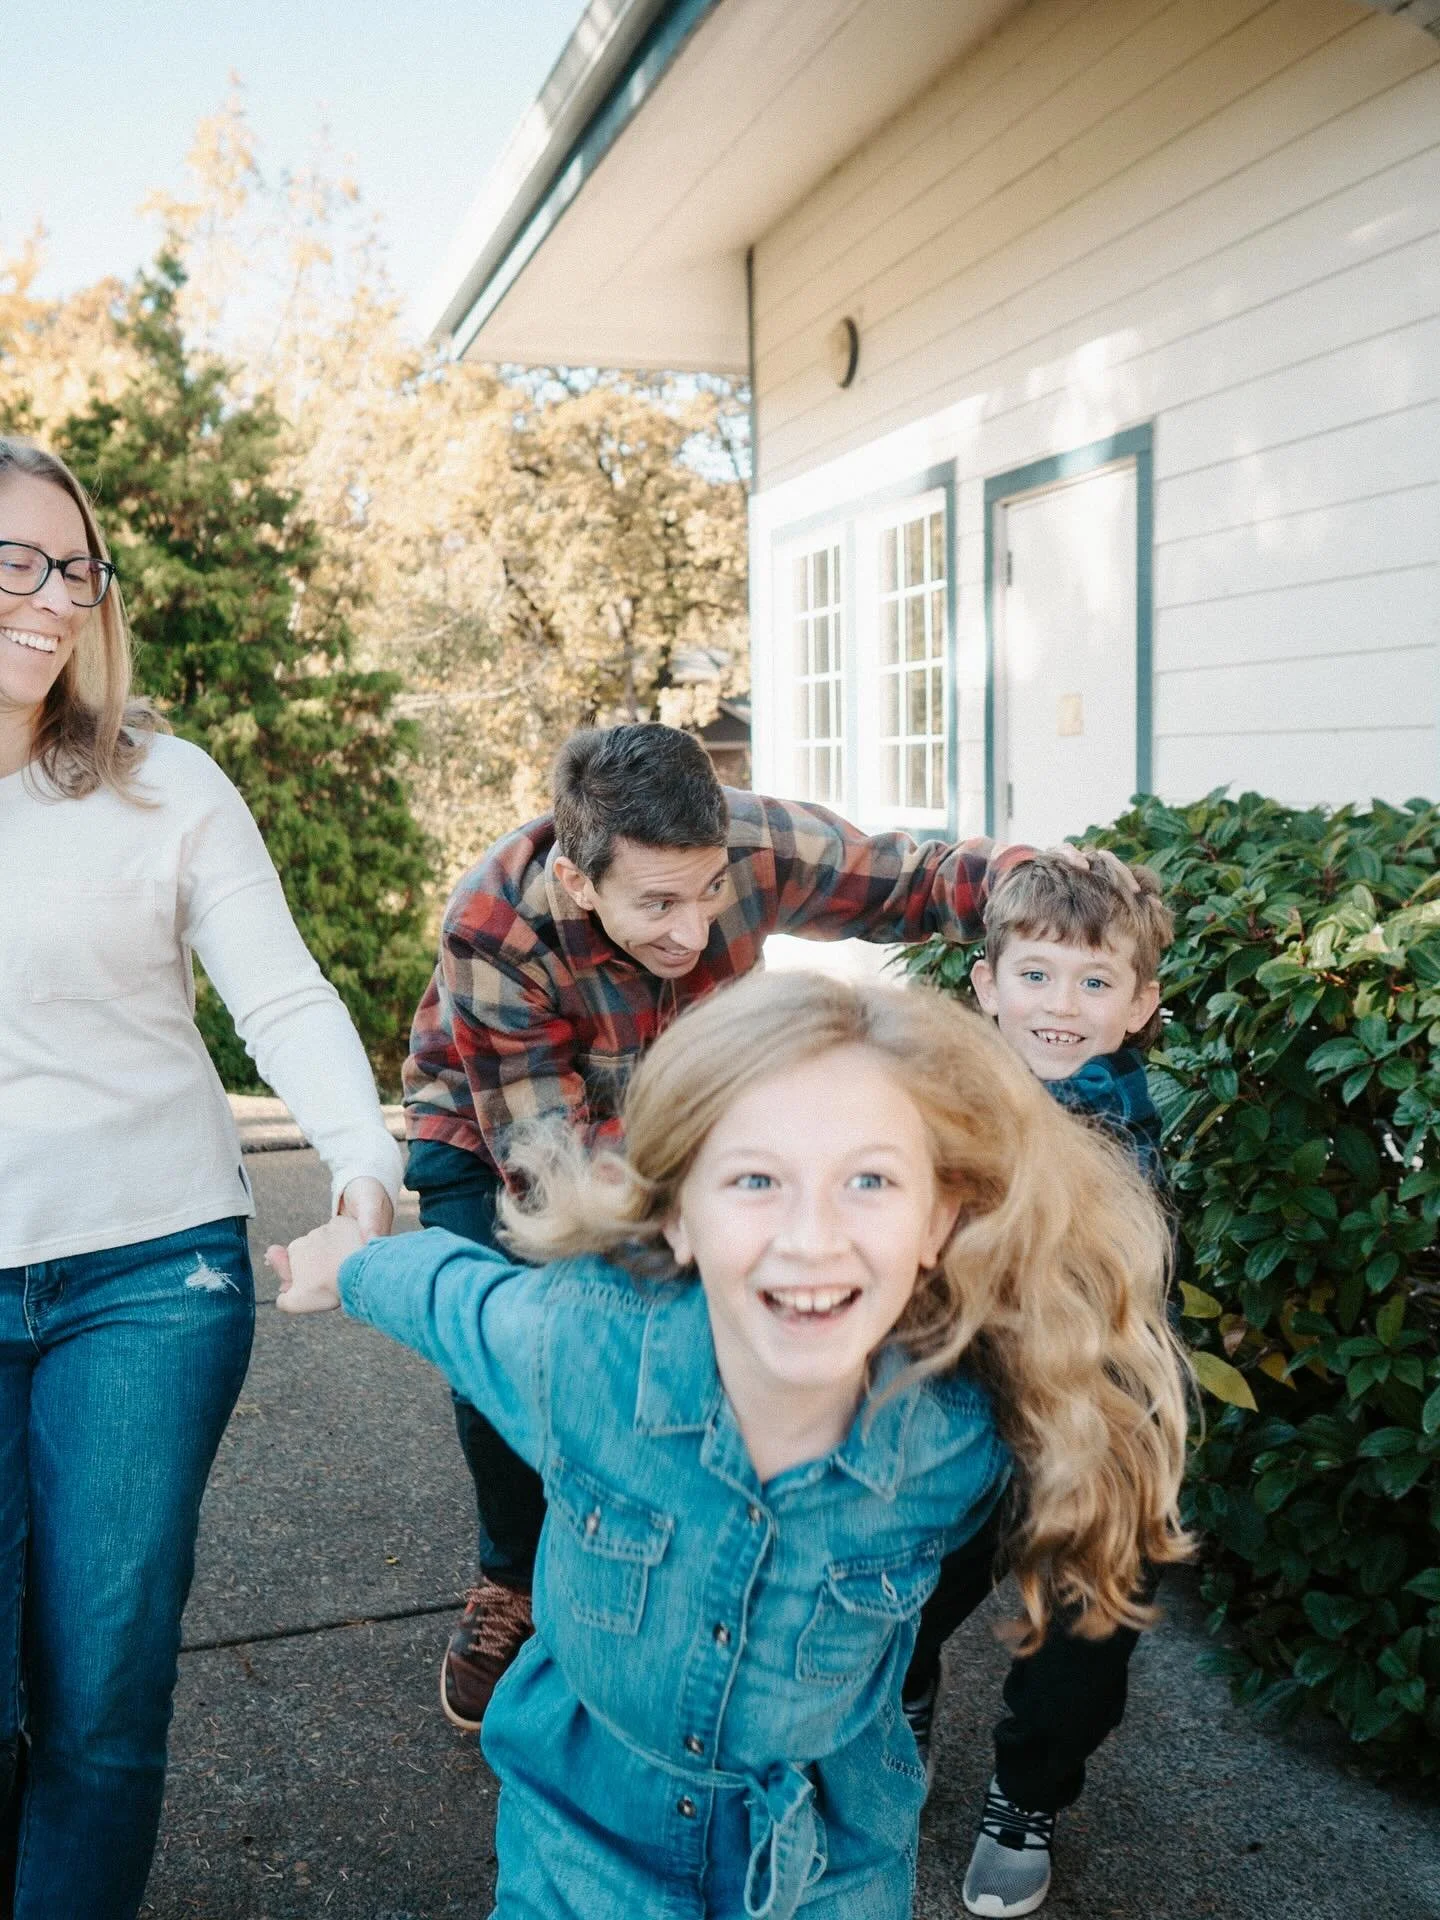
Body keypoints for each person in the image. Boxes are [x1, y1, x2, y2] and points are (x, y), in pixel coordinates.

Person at [273, 969, 1192, 1920]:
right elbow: (446, 1292)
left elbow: (1095, 1466)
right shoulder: (582, 1349)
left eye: (870, 1181)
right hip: (583, 1836)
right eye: (755, 1179)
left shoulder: (962, 1426)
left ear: (940, 1218)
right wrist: (347, 1260)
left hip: (828, 1859)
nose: (810, 1239)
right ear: (675, 1209)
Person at [403, 720, 1051, 1731]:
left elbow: (910, 882)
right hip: (496, 1125)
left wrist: (1039, 889)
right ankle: (512, 1576)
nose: (694, 931)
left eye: (708, 893)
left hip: (684, 1100)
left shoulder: (755, 842)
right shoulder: (494, 923)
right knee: (520, 1328)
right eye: (657, 903)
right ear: (580, 881)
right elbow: (551, 1170)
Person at [0, 436, 402, 1919]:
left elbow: (283, 996)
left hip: (149, 1273)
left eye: (73, 566)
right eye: (12, 561)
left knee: (99, 1701)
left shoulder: (163, 786)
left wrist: (363, 1167)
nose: (50, 597)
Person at [899, 851, 1176, 1919]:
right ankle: (905, 1696)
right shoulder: (943, 1094)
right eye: (1038, 976)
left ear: (1140, 1005)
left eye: (1097, 983)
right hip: (959, 1388)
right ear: (987, 983)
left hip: (1092, 1403)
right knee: (901, 1575)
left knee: (1085, 1631)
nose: (1063, 1007)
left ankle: (1028, 1794)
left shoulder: (1108, 1111)